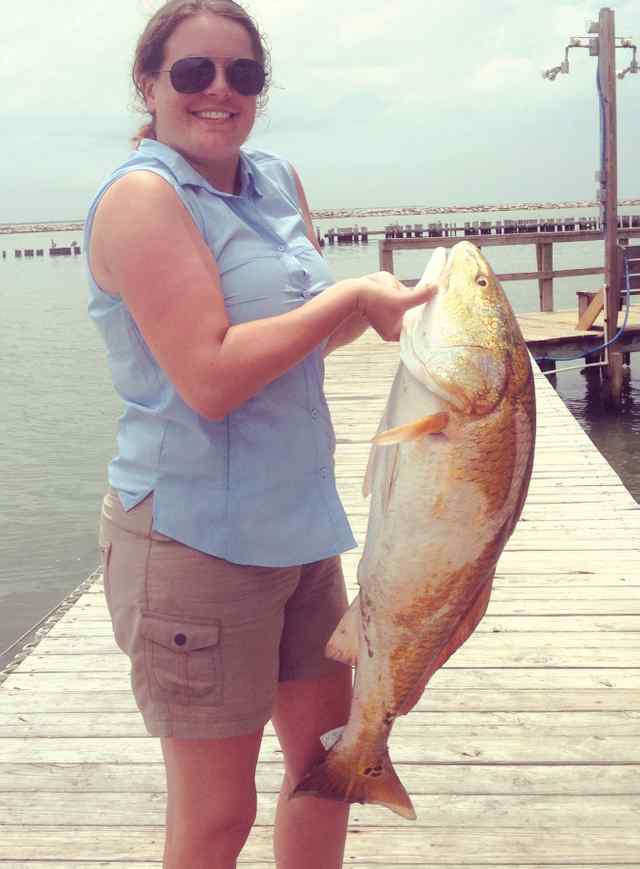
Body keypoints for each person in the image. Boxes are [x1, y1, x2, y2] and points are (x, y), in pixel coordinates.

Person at [85, 2, 443, 867]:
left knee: (330, 764)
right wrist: (345, 295)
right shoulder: (144, 197)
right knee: (217, 815)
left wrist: (379, 313)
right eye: (192, 72)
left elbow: (312, 332)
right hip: (195, 537)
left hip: (301, 533)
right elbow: (208, 379)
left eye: (242, 74)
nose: (219, 91)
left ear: (261, 90)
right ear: (149, 82)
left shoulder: (277, 178)